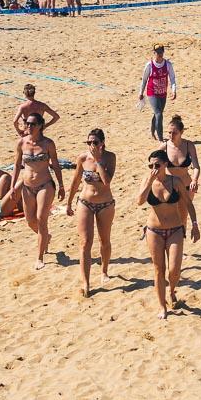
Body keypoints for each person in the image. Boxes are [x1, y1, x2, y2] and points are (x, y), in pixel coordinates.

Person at [137, 148, 199, 319]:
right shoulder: (147, 180)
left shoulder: (175, 181)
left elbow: (188, 203)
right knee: (158, 270)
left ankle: (171, 291)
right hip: (154, 230)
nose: (154, 168)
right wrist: (149, 182)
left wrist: (194, 224)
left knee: (174, 270)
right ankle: (162, 306)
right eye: (150, 165)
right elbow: (139, 201)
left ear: (165, 164)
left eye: (157, 165)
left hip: (175, 229)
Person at [66, 128, 118, 298]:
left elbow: (107, 181)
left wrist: (98, 162)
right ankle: (86, 282)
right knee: (85, 242)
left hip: (105, 204)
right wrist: (69, 202)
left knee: (104, 241)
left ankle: (104, 271)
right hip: (85, 202)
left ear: (102, 143)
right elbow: (75, 181)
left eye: (95, 142)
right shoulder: (82, 158)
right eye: (89, 142)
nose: (91, 145)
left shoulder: (110, 157)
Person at [14, 114, 64, 269]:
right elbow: (16, 165)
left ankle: (40, 257)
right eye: (26, 123)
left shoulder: (48, 144)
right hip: (27, 186)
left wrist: (61, 185)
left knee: (41, 219)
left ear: (40, 125)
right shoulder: (22, 143)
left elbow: (55, 164)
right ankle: (46, 237)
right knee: (30, 221)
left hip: (45, 185)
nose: (29, 126)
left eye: (32, 124)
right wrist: (12, 187)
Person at [139, 46, 176, 141]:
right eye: (157, 52)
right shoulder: (149, 65)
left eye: (160, 52)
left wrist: (173, 90)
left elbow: (172, 78)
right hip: (152, 93)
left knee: (158, 113)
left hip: (163, 93)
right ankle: (160, 137)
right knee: (159, 114)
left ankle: (152, 131)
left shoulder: (168, 64)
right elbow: (144, 80)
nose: (159, 54)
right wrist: (141, 92)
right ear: (154, 53)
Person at [164, 116, 201, 195]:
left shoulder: (189, 145)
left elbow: (196, 167)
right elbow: (156, 167)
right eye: (169, 132)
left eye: (175, 133)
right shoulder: (164, 147)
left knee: (187, 207)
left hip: (187, 185)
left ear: (181, 132)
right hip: (170, 186)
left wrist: (194, 180)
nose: (171, 136)